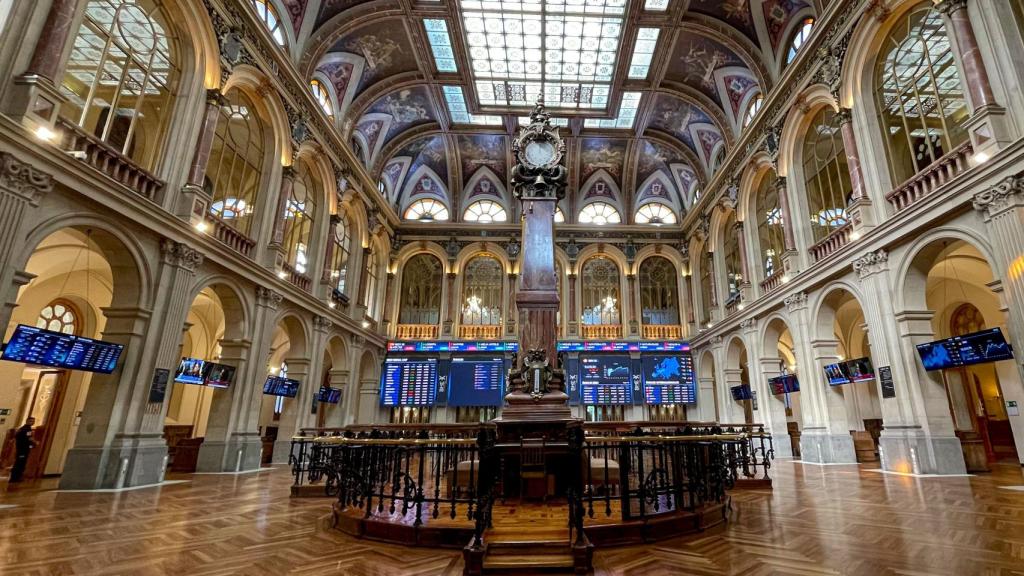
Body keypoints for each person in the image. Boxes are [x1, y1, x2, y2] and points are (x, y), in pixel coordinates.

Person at [9, 417, 36, 483]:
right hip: (23, 449)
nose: (32, 422)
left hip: (20, 448)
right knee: (20, 463)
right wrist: (35, 442)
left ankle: (15, 477)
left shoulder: (21, 428)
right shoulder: (27, 429)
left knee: (19, 462)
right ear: (27, 421)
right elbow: (29, 438)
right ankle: (15, 478)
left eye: (33, 421)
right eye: (31, 421)